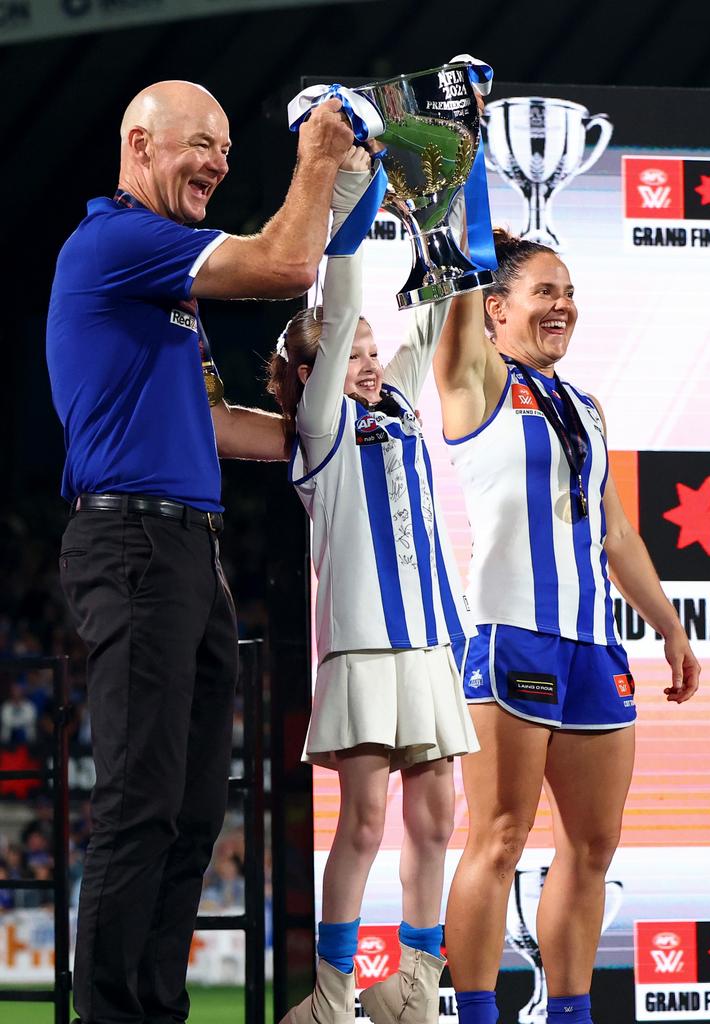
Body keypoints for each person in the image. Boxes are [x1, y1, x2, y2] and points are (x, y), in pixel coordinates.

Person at [46, 79, 353, 1024]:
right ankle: (107, 1014)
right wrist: (320, 158)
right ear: (140, 144)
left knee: (190, 812)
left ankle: (155, 1008)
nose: (220, 163)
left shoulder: (163, 296)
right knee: (141, 802)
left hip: (187, 552)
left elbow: (237, 430)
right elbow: (285, 261)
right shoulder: (117, 241)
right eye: (202, 145)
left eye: (226, 147)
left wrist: (326, 397)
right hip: (133, 541)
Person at [432, 231, 701, 1024]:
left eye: (569, 291)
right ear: (497, 309)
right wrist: (457, 163)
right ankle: (477, 1015)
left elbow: (615, 532)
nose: (563, 305)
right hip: (512, 636)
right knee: (501, 836)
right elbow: (455, 289)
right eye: (545, 291)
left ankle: (570, 1015)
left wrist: (671, 628)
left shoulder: (585, 405)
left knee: (591, 849)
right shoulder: (474, 378)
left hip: (594, 649)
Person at [267, 147, 478, 1024]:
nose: (365, 360)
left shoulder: (393, 405)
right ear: (313, 373)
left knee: (436, 822)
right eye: (347, 353)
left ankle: (415, 986)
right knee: (360, 825)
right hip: (360, 646)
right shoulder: (319, 432)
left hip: (429, 643)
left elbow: (436, 306)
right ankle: (331, 994)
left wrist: (454, 183)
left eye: (365, 353)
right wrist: (350, 206)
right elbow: (346, 299)